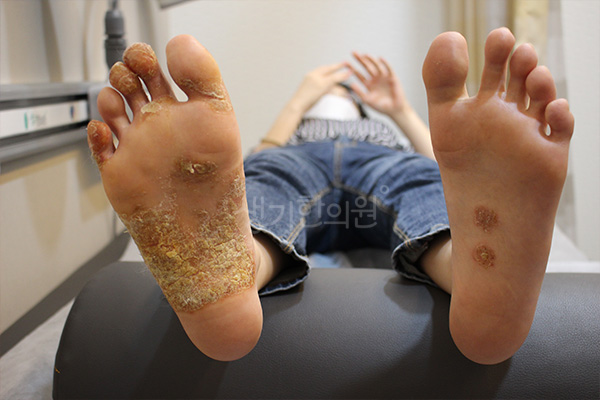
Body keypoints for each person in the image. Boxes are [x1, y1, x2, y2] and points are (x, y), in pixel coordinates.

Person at [86, 27, 574, 365]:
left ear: (360, 109)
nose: (337, 95)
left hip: (379, 159)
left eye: (343, 95)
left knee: (419, 181)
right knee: (266, 181)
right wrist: (301, 98)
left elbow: (448, 162)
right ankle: (231, 268)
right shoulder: (299, 126)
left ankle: (469, 266)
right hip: (301, 157)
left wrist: (398, 107)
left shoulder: (378, 125)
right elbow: (257, 158)